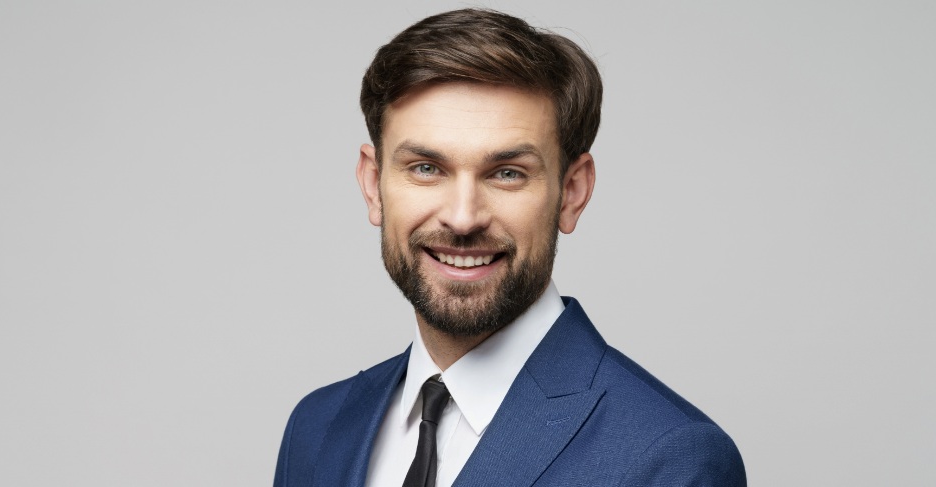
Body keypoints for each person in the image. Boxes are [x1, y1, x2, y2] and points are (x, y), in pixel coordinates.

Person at [275, 8, 746, 487]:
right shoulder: (316, 429)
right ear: (374, 185)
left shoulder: (669, 458)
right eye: (425, 168)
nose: (462, 217)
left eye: (507, 173)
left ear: (573, 193)